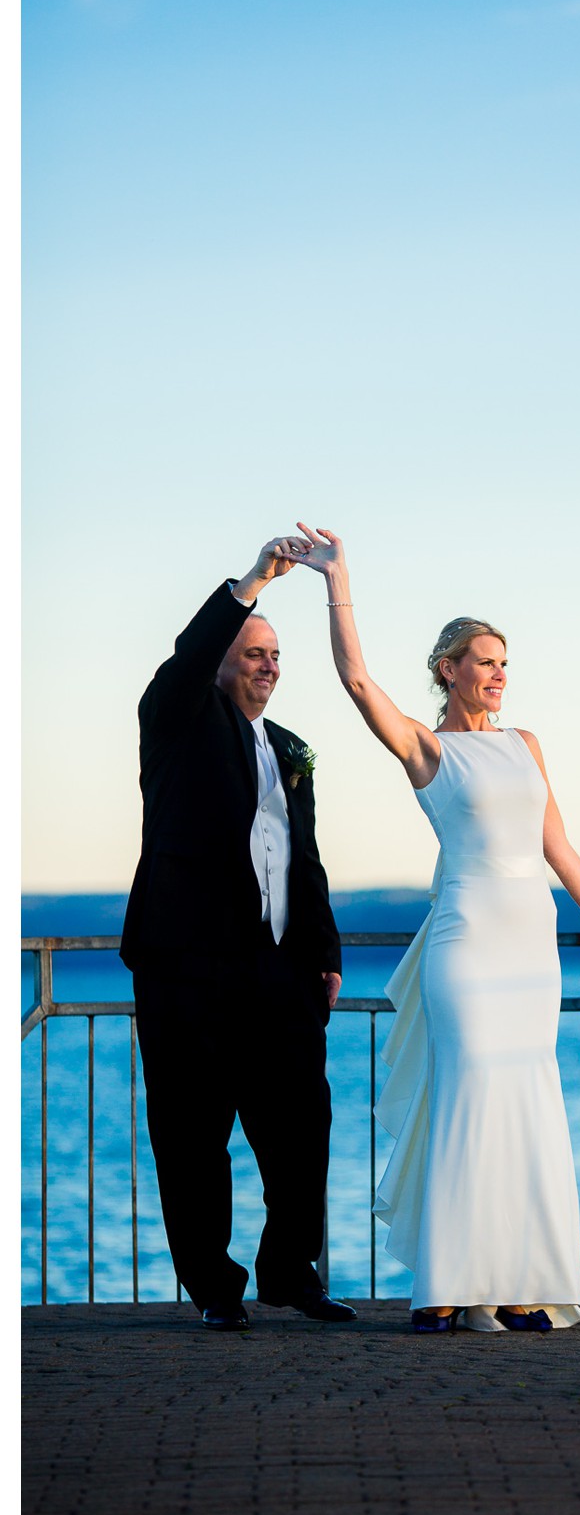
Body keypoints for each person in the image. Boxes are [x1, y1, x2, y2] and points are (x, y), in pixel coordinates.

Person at [285, 522, 580, 1334]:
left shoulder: (527, 744)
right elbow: (354, 680)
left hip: (532, 945)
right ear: (448, 671)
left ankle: (519, 1281)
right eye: (484, 663)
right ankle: (447, 1283)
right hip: (464, 941)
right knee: (472, 1088)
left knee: (524, 1097)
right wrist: (335, 579)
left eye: (503, 664)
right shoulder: (426, 750)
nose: (498, 675)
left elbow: (558, 845)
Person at [120, 536, 356, 1331]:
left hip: (279, 976)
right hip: (186, 969)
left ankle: (291, 1273)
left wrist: (321, 956)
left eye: (276, 655)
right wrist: (253, 583)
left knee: (301, 1133)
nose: (269, 665)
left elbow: (304, 860)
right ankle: (216, 1290)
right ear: (220, 660)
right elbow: (188, 659)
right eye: (254, 651)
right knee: (192, 1140)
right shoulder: (178, 722)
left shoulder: (288, 749)